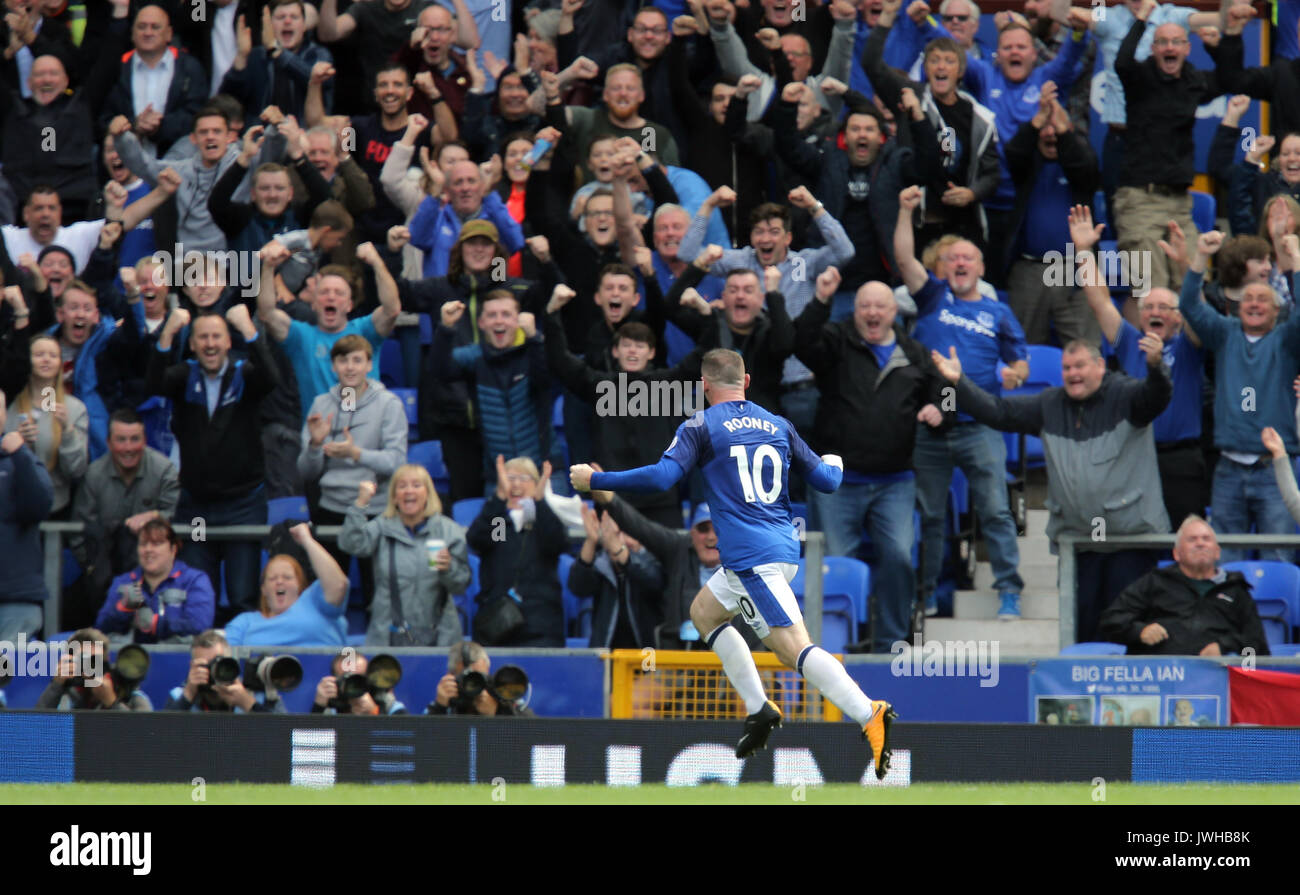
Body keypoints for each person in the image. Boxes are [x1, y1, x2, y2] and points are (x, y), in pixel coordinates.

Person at [570, 349, 896, 779]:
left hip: (752, 558)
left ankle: (868, 711)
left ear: (704, 386)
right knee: (704, 613)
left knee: (794, 646)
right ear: (746, 382)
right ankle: (759, 708)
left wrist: (598, 481)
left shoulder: (701, 425)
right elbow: (828, 481)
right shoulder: (779, 424)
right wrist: (835, 459)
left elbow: (662, 478)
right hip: (777, 550)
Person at [930, 332, 1172, 644]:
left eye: (1080, 366)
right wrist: (959, 383)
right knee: (1082, 639)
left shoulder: (1128, 397)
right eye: (1067, 368)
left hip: (1132, 543)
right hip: (1079, 546)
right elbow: (998, 412)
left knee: (1132, 636)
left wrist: (1156, 366)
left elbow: (1158, 395)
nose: (1073, 374)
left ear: (1100, 365)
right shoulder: (1050, 404)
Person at [895, 185, 1028, 619]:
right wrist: (904, 211)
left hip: (980, 424)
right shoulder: (933, 297)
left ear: (982, 268)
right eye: (952, 259)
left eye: (968, 258)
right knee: (930, 517)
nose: (959, 264)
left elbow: (1020, 362)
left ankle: (1009, 590)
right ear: (943, 269)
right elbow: (903, 259)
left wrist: (1015, 374)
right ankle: (927, 596)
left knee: (994, 510)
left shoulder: (999, 313)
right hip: (930, 427)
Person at [795, 267, 947, 644]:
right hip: (837, 482)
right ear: (856, 310)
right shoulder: (835, 340)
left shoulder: (915, 353)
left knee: (897, 557)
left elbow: (946, 393)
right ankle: (834, 647)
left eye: (881, 306)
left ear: (895, 311)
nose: (872, 313)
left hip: (895, 481)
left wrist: (943, 410)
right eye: (865, 306)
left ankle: (891, 644)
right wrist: (820, 300)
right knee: (835, 565)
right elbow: (799, 342)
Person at [1073, 206, 1207, 529]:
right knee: (1138, 542)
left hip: (1182, 461)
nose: (1155, 311)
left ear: (1177, 315)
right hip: (1135, 456)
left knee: (1183, 538)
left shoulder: (1190, 345)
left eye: (1165, 306)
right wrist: (1082, 251)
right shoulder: (1130, 341)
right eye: (1148, 306)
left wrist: (1184, 264)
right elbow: (1100, 301)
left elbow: (1198, 311)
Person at [146, 305, 279, 613]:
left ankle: (237, 661)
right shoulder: (183, 376)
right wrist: (168, 331)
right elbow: (153, 384)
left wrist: (249, 329)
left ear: (228, 342)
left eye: (217, 336)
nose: (210, 344)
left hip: (243, 506)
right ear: (192, 344)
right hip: (197, 509)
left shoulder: (244, 374)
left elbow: (272, 379)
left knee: (243, 596)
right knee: (199, 597)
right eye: (202, 337)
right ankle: (204, 661)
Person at [1179, 230, 1300, 562]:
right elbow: (1189, 304)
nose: (1255, 305)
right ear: (1237, 308)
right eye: (1248, 300)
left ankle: (1277, 616)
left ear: (1277, 312)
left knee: (1280, 557)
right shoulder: (1225, 333)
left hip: (1275, 469)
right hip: (1228, 469)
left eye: (1263, 300)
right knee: (1227, 563)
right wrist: (1201, 256)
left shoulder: (1287, 341)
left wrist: (1296, 262)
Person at [299, 333, 408, 595]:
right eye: (343, 360)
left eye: (357, 360)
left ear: (369, 365)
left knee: (379, 596)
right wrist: (314, 446)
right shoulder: (320, 404)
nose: (350, 367)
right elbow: (305, 471)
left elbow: (396, 462)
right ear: (333, 366)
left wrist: (356, 453)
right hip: (331, 510)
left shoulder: (388, 404)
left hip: (376, 512)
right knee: (330, 596)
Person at [68, 408, 179, 629]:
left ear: (145, 440)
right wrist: (92, 566)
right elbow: (78, 532)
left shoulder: (164, 470)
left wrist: (157, 516)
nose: (128, 448)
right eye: (121, 440)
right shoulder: (93, 474)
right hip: (103, 570)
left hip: (153, 571)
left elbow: (182, 521)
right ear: (108, 442)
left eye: (135, 439)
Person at [1098, 515, 1270, 656]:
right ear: (1176, 554)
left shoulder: (1235, 589)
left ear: (1217, 552)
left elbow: (1256, 646)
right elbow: (1111, 621)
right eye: (1192, 539)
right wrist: (1139, 631)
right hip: (1161, 679)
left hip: (1216, 680)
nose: (1200, 543)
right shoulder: (1155, 582)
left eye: (1206, 539)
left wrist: (1224, 646)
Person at [339, 466, 470, 646]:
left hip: (440, 636)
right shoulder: (382, 526)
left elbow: (460, 585)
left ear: (428, 494)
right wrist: (362, 503)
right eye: (402, 486)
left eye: (416, 485)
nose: (409, 490)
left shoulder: (449, 531)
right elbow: (351, 544)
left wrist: (449, 568)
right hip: (387, 635)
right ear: (394, 496)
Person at [465, 455, 567, 647]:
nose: (516, 484)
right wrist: (499, 498)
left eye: (524, 478)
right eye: (510, 478)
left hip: (541, 627)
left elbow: (555, 543)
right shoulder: (500, 523)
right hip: (499, 626)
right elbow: (478, 541)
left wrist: (539, 501)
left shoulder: (542, 520)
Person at [99, 4, 210, 157]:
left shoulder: (189, 67)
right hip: (125, 164)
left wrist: (160, 127)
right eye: (141, 27)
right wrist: (133, 124)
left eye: (155, 27)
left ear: (169, 33)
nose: (148, 32)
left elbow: (198, 115)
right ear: (132, 33)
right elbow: (103, 117)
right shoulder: (116, 69)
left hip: (177, 163)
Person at [2, 332, 87, 516]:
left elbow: (77, 470)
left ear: (60, 364)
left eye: (53, 355)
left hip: (57, 506)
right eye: (39, 355)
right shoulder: (10, 406)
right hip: (15, 505)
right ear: (28, 360)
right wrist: (17, 443)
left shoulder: (74, 409)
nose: (46, 360)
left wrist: (67, 431)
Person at [224, 522, 349, 646]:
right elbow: (222, 651)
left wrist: (306, 540)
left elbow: (338, 585)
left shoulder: (315, 601)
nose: (279, 581)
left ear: (299, 584)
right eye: (272, 578)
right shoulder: (245, 622)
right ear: (263, 589)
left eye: (287, 577)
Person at [93, 517, 214, 644]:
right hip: (129, 658)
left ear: (173, 549)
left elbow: (200, 626)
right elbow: (100, 629)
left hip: (180, 659)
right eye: (143, 544)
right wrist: (122, 610)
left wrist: (156, 624)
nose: (148, 550)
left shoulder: (194, 580)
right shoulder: (124, 581)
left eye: (156, 544)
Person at [570, 497, 666, 649]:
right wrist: (591, 541)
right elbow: (578, 587)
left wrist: (619, 551)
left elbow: (653, 581)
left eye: (624, 532)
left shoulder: (652, 560)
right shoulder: (601, 564)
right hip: (607, 656)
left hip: (647, 656)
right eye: (613, 534)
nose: (617, 539)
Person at [0, 389, 54, 641]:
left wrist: (21, 454)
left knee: (6, 677)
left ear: (4, 415)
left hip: (15, 602)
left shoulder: (20, 460)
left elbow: (40, 505)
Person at [165, 628, 285, 712]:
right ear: (192, 667)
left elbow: (287, 738)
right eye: (205, 665)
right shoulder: (180, 696)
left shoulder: (256, 696)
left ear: (230, 662)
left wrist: (248, 704)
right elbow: (159, 739)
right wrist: (188, 695)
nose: (212, 671)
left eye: (217, 663)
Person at [35, 628, 153, 710]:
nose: (90, 667)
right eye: (83, 659)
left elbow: (143, 739)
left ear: (106, 662)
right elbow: (37, 729)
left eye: (96, 660)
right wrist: (56, 686)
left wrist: (112, 703)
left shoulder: (131, 697)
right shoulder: (66, 695)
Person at [426, 640, 534, 716]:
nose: (473, 685)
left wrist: (498, 712)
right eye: (467, 678)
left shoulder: (499, 696)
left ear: (488, 670)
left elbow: (535, 735)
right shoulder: (447, 697)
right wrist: (439, 708)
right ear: (450, 675)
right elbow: (416, 742)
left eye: (479, 677)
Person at [311, 650, 407, 714]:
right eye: (347, 678)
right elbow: (308, 743)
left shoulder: (388, 705)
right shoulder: (331, 709)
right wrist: (318, 707)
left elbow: (404, 742)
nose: (354, 684)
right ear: (335, 681)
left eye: (359, 678)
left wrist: (374, 713)